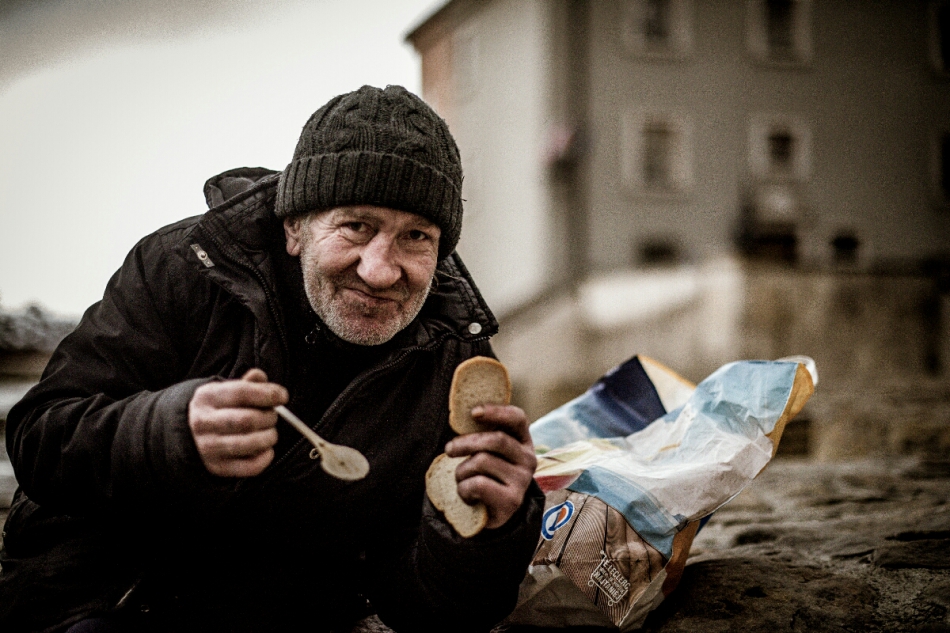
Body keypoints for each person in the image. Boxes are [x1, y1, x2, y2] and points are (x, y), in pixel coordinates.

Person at [0, 85, 543, 633]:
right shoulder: (182, 268)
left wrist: (488, 532)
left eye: (416, 236)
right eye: (356, 226)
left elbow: (430, 610)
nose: (380, 270)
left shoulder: (454, 357)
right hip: (108, 601)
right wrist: (167, 431)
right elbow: (40, 439)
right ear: (294, 228)